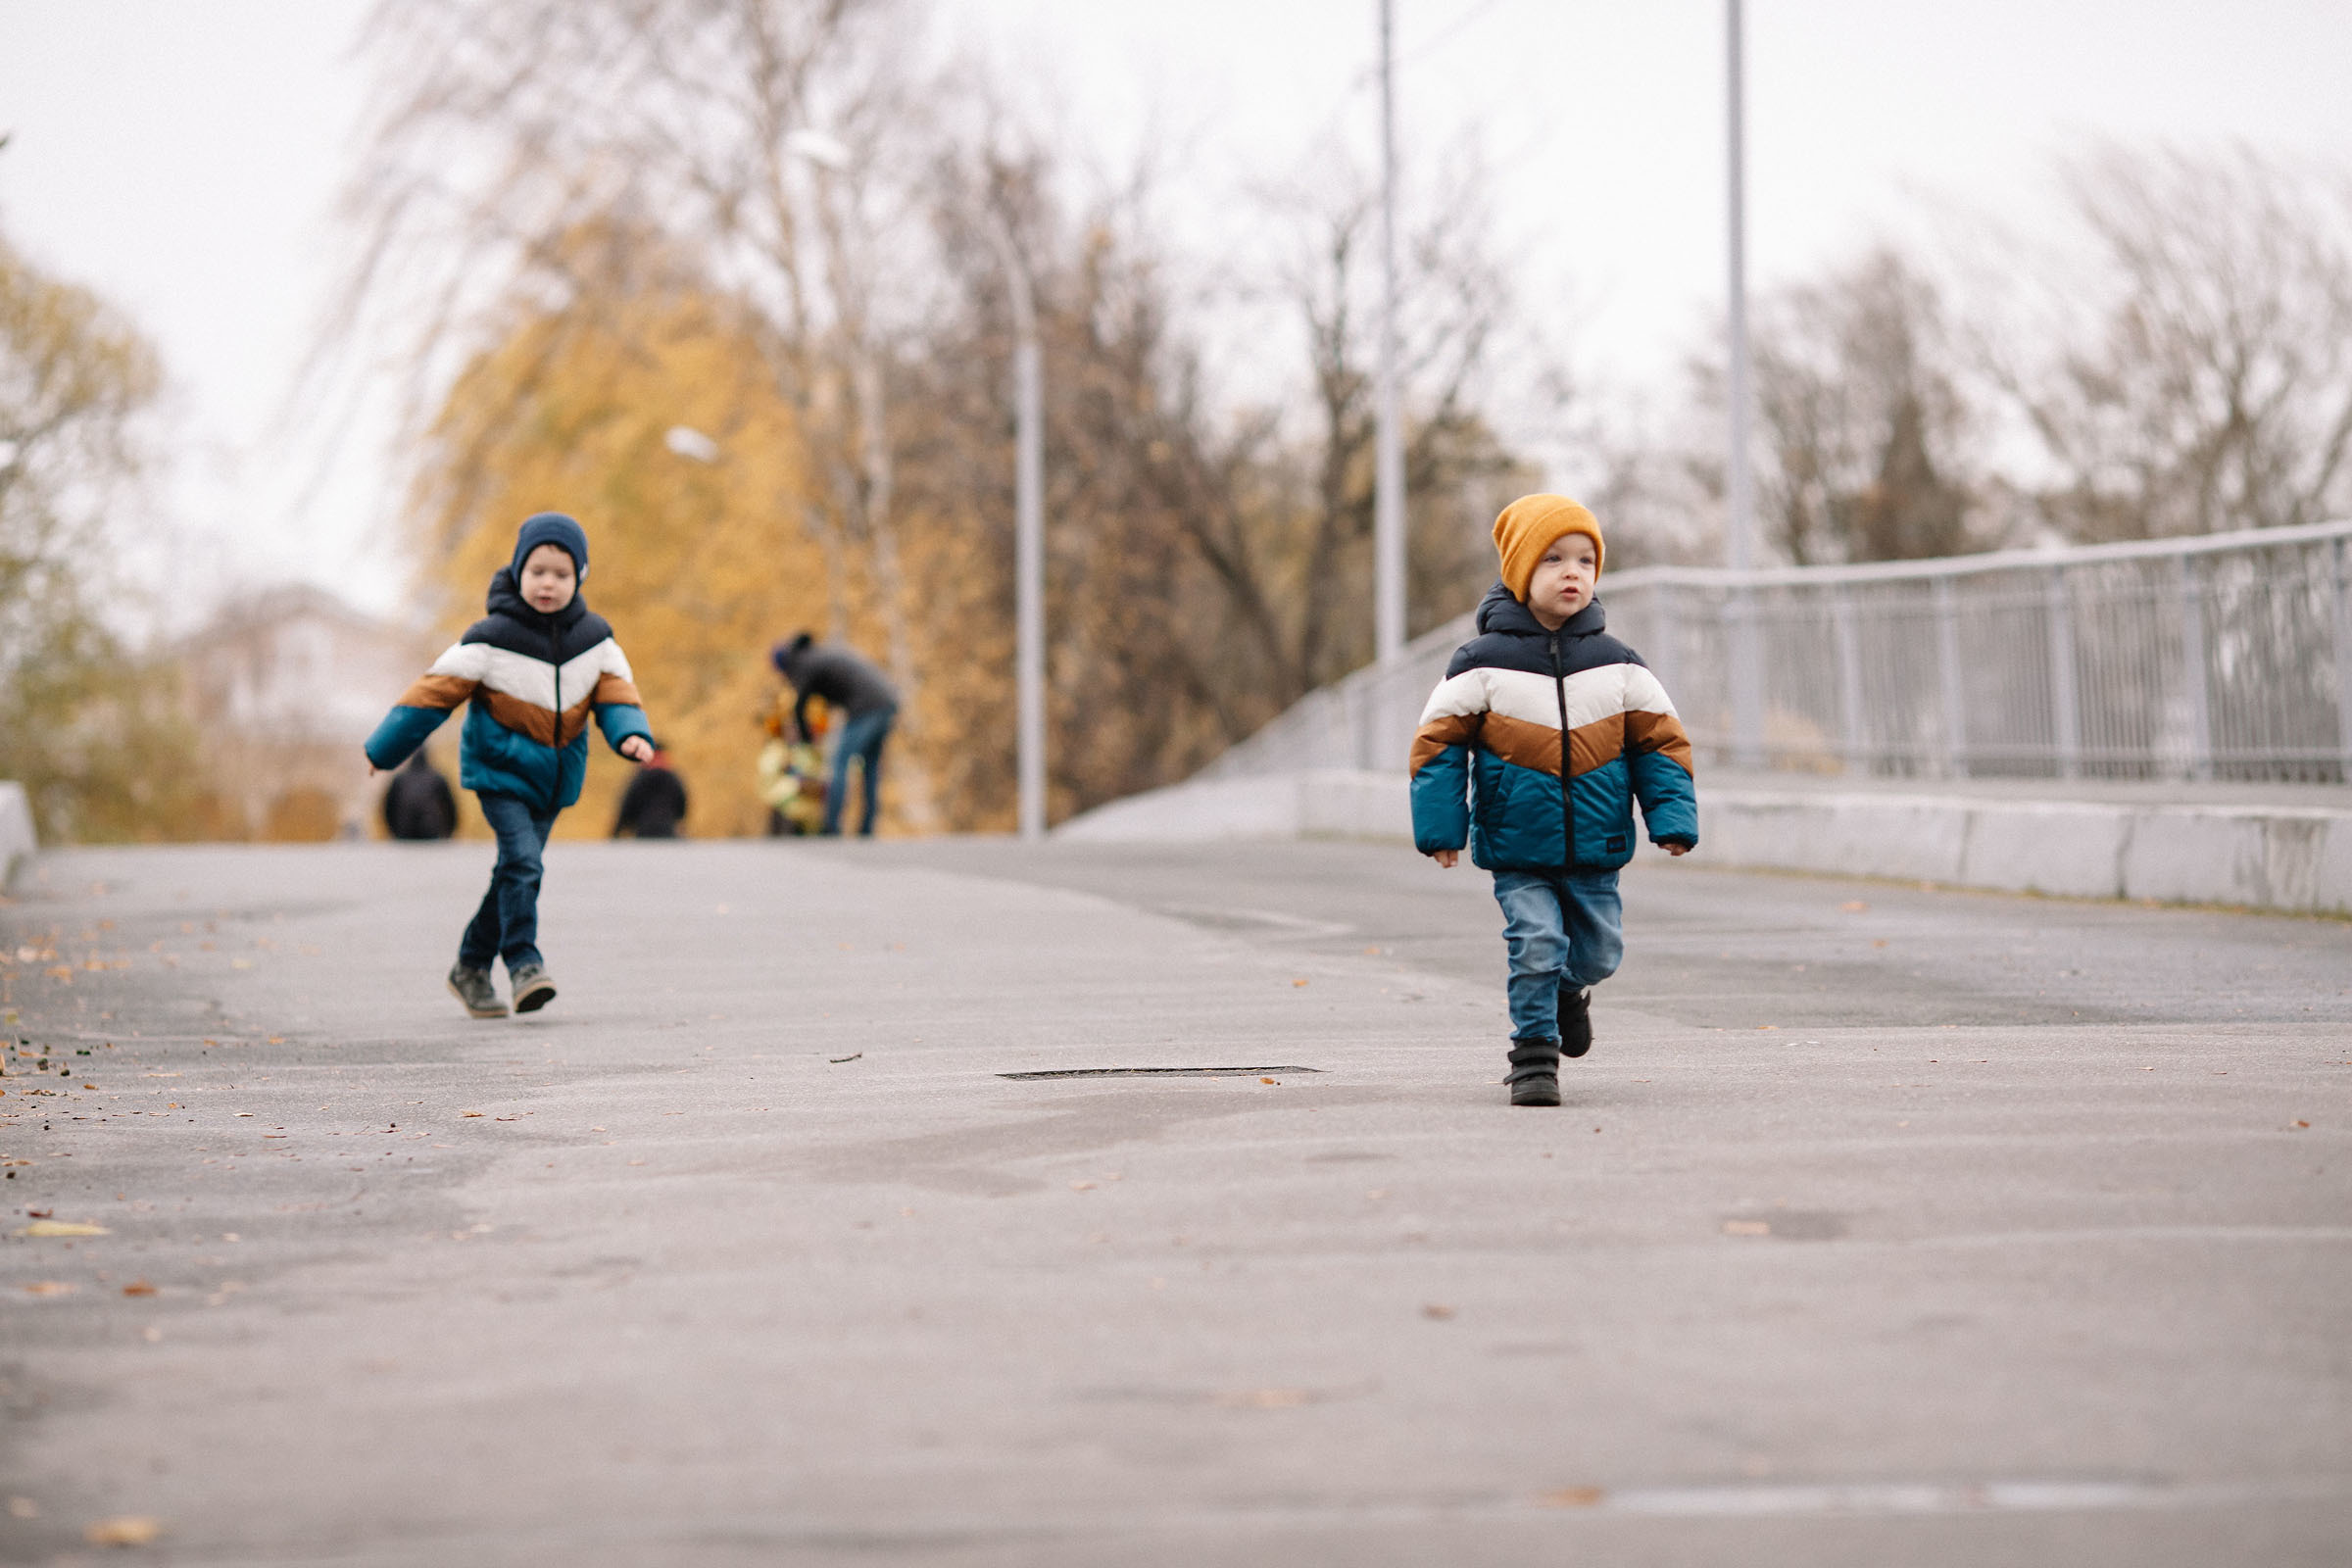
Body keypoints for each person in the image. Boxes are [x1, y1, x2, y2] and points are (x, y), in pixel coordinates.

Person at [1406, 495, 1698, 1106]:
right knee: (1536, 941)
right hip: (1518, 844)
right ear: (1518, 572)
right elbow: (1437, 745)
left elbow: (1661, 744)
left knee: (1599, 954)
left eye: (1586, 560)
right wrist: (1442, 829)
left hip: (1598, 845)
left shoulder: (1619, 664)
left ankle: (1568, 990)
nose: (1573, 572)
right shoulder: (1479, 663)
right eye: (1554, 559)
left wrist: (1670, 818)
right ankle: (1533, 1058)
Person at [364, 513, 655, 1018]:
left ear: (579, 578)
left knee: (515, 874)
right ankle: (524, 962)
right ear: (519, 571)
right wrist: (384, 749)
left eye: (561, 574)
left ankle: (470, 966)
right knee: (523, 863)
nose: (548, 582)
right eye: (538, 570)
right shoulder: (491, 637)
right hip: (500, 774)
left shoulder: (596, 639)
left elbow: (617, 694)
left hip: (555, 779)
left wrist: (631, 735)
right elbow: (433, 692)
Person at [770, 631, 898, 837]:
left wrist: (805, 740)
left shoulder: (804, 664)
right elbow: (831, 695)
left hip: (867, 707)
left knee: (839, 761)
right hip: (886, 701)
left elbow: (799, 707)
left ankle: (830, 826)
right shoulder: (817, 656)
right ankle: (867, 828)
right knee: (870, 766)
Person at [612, 740, 688, 839]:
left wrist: (617, 831)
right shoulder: (672, 777)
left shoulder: (640, 777)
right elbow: (682, 804)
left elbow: (627, 804)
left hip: (643, 831)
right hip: (667, 830)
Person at [380, 749, 457, 841]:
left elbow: (388, 807)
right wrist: (449, 831)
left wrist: (393, 831)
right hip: (430, 830)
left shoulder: (399, 779)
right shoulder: (437, 778)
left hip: (404, 830)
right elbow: (450, 807)